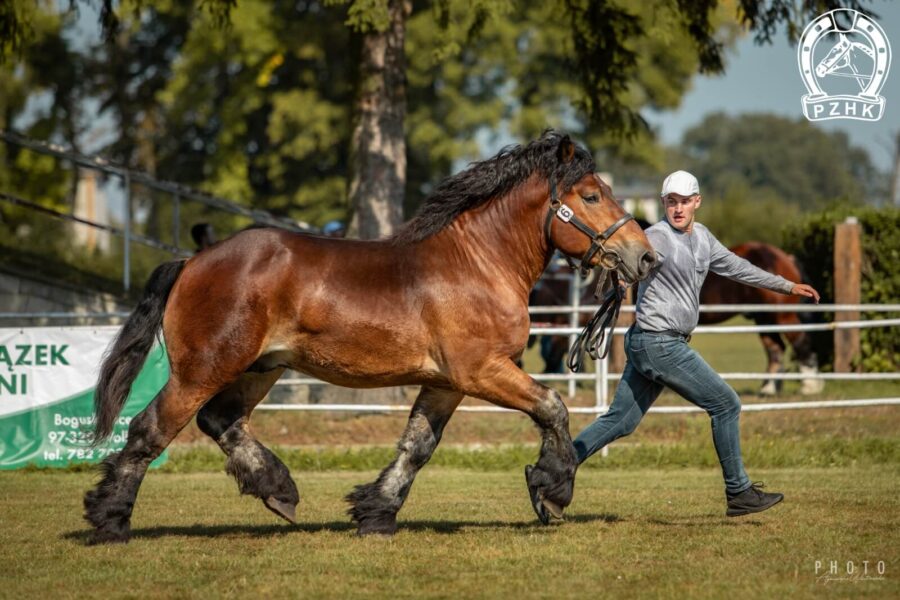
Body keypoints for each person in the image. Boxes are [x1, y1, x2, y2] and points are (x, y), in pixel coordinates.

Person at [573, 170, 820, 516]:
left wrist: (787, 286)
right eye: (671, 202)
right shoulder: (654, 236)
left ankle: (553, 469)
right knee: (726, 404)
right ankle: (739, 491)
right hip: (659, 343)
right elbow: (625, 257)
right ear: (663, 203)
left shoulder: (703, 237)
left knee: (621, 421)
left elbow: (738, 267)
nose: (678, 208)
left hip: (652, 343)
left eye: (685, 201)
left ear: (697, 202)